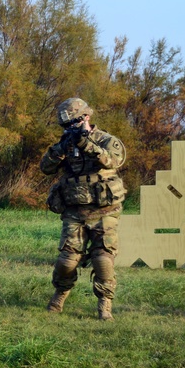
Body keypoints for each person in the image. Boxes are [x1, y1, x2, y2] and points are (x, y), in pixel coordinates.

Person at [41, 97, 127, 320]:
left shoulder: (107, 140)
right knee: (67, 260)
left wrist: (86, 143)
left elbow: (113, 162)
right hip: (74, 211)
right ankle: (60, 294)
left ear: (86, 118)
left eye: (75, 123)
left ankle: (104, 304)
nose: (71, 128)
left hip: (104, 211)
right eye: (66, 125)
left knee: (102, 259)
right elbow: (46, 167)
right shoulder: (65, 145)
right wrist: (62, 146)